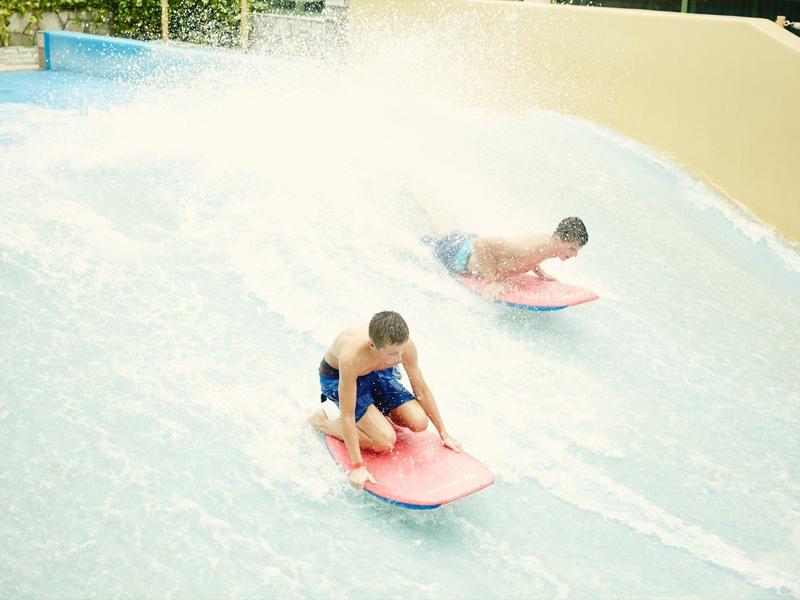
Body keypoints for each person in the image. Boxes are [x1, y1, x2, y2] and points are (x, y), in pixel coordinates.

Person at [308, 311, 461, 490]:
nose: (399, 358)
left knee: (420, 422)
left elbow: (421, 389)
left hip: (377, 370)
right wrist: (358, 466)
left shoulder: (403, 346)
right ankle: (323, 423)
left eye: (401, 350)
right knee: (384, 442)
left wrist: (444, 434)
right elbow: (347, 414)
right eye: (393, 354)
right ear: (372, 346)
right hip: (337, 377)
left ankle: (374, 417)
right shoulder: (351, 357)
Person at [425, 216, 589, 284]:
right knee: (429, 235)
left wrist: (541, 273)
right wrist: (490, 280)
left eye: (577, 250)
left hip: (465, 246)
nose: (574, 254)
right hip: (456, 254)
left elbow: (532, 258)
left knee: (439, 227)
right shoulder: (524, 248)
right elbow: (481, 244)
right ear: (557, 239)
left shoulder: (550, 247)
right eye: (571, 249)